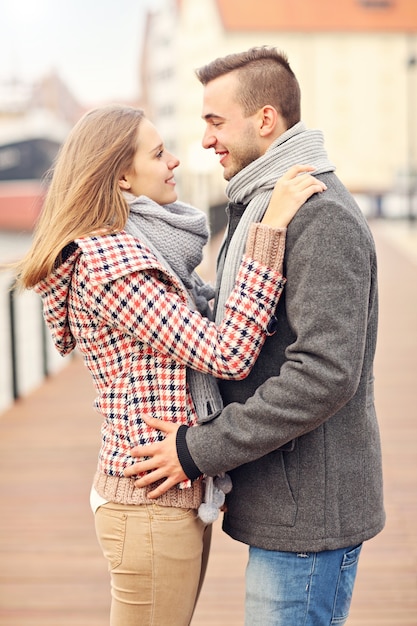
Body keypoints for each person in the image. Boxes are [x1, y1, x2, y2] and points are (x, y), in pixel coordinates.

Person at [14, 103, 326, 626]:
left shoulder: (136, 248)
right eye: (158, 154)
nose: (176, 161)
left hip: (165, 495)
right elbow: (225, 352)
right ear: (119, 176)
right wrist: (268, 233)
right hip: (148, 505)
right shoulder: (114, 265)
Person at [124, 47, 385, 626]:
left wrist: (198, 448)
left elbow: (322, 375)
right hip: (290, 504)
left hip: (309, 518)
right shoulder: (266, 204)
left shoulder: (318, 216)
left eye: (215, 122)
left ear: (264, 119)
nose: (206, 140)